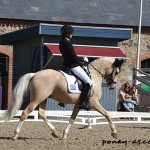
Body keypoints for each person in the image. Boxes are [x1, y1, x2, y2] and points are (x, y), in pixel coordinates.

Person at [59, 25, 93, 110]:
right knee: (88, 82)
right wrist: (82, 61)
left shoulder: (61, 42)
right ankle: (81, 103)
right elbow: (73, 56)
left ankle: (62, 100)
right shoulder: (67, 42)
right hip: (72, 66)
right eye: (71, 33)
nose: (72, 35)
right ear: (68, 34)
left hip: (65, 65)